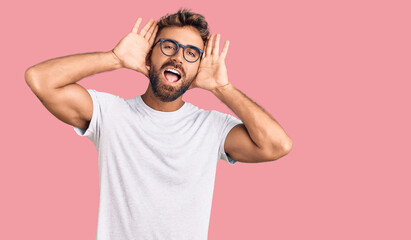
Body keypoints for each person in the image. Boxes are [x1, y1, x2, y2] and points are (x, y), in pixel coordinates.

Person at [25, 8, 292, 240]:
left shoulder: (211, 127)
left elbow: (277, 145)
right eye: (168, 46)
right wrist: (115, 59)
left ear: (199, 67)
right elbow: (40, 79)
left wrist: (222, 88)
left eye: (191, 53)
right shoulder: (111, 114)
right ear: (150, 55)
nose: (178, 57)